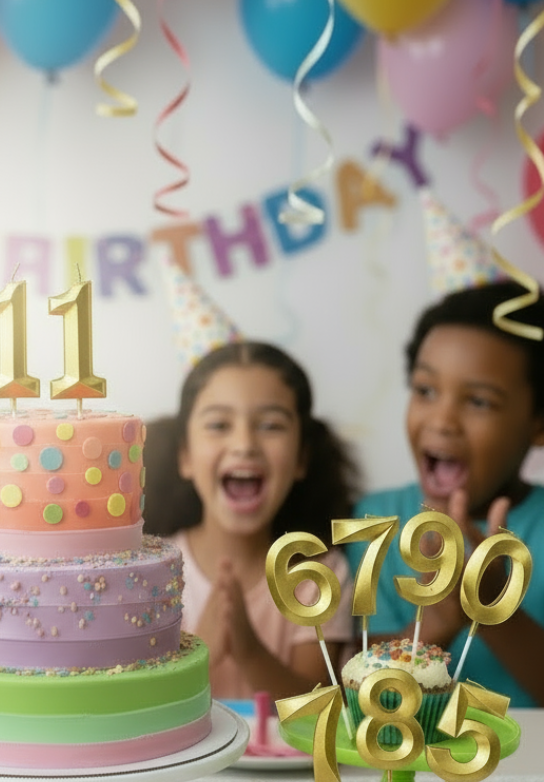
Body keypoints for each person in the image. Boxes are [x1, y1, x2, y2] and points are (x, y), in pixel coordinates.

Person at [342, 281, 544, 707]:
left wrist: (491, 605)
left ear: (537, 423)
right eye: (426, 390)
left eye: (479, 401)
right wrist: (435, 620)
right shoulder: (373, 522)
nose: (442, 420)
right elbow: (353, 685)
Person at [144, 341, 359, 699]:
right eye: (218, 425)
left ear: (302, 457)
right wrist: (202, 654)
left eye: (271, 425)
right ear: (185, 455)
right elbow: (138, 706)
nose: (244, 443)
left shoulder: (319, 577)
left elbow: (316, 708)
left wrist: (249, 650)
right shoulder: (150, 571)